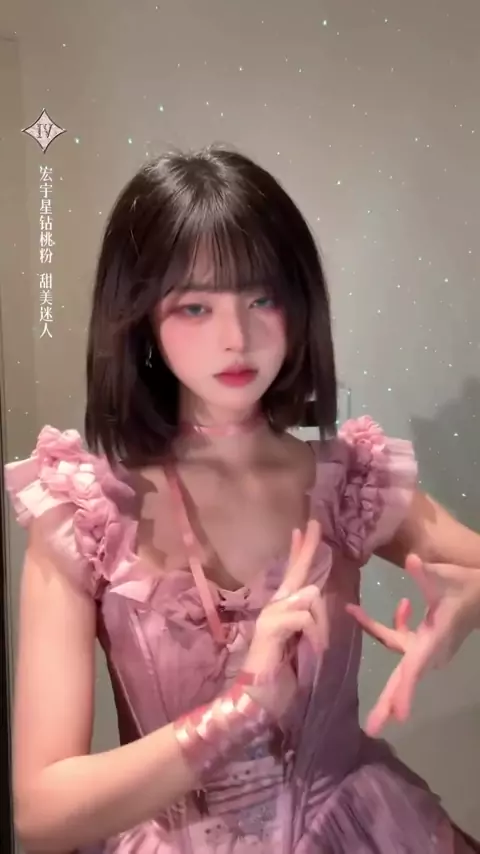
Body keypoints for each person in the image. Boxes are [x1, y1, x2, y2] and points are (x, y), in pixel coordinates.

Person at [5, 146, 480, 854]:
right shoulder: (85, 506)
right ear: (140, 318)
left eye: (262, 299)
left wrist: (468, 607)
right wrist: (239, 710)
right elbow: (40, 814)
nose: (237, 338)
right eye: (195, 306)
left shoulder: (347, 477)